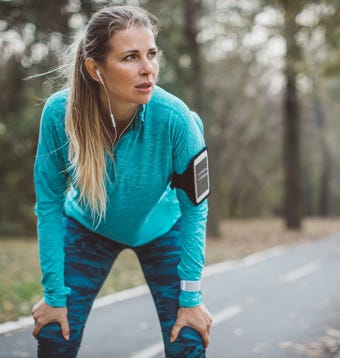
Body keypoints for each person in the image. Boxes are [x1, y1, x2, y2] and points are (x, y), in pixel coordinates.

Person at [31, 5, 212, 358]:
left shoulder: (178, 120)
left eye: (151, 54)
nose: (148, 69)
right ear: (95, 68)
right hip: (87, 227)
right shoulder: (59, 114)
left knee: (188, 337)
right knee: (54, 333)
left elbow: (195, 211)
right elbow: (49, 205)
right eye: (130, 57)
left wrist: (191, 299)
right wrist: (54, 297)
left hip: (163, 229)